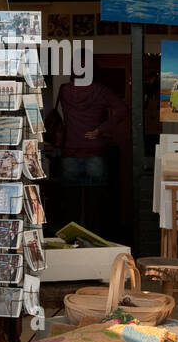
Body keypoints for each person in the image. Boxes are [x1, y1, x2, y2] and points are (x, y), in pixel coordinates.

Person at [47, 77, 128, 233]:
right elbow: (123, 109)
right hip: (94, 151)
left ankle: (72, 244)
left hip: (70, 151)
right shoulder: (100, 90)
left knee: (71, 206)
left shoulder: (65, 90)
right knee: (95, 207)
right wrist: (101, 129)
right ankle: (93, 246)